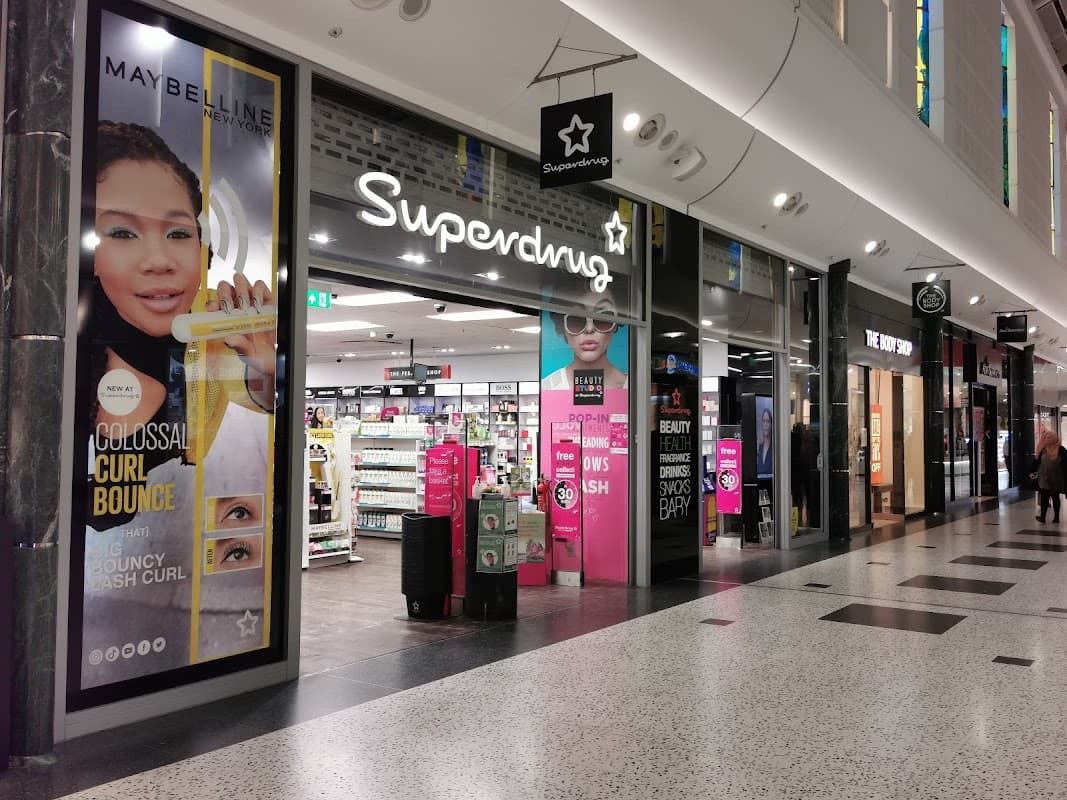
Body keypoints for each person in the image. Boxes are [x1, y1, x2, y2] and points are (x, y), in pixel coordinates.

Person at [81, 120, 276, 685]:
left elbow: (268, 408)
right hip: (84, 622)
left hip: (191, 608)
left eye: (178, 233)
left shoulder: (214, 332)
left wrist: (268, 366)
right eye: (121, 232)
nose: (159, 261)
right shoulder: (58, 354)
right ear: (88, 253)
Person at [542, 290, 627, 391]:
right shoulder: (546, 388)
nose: (589, 329)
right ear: (562, 326)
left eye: (602, 317)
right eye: (576, 319)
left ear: (616, 324)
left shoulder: (635, 388)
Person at [1030, 431, 1067, 523]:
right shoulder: (1045, 449)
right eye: (1047, 438)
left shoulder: (1058, 449)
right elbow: (1037, 461)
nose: (1048, 439)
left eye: (1049, 438)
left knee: (1051, 497)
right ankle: (1048, 517)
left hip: (1052, 477)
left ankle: (1052, 517)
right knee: (1049, 497)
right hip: (1049, 477)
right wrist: (1032, 470)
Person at [756, 407, 773, 478]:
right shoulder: (759, 446)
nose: (765, 424)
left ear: (771, 424)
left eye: (768, 421)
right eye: (764, 421)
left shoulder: (774, 447)